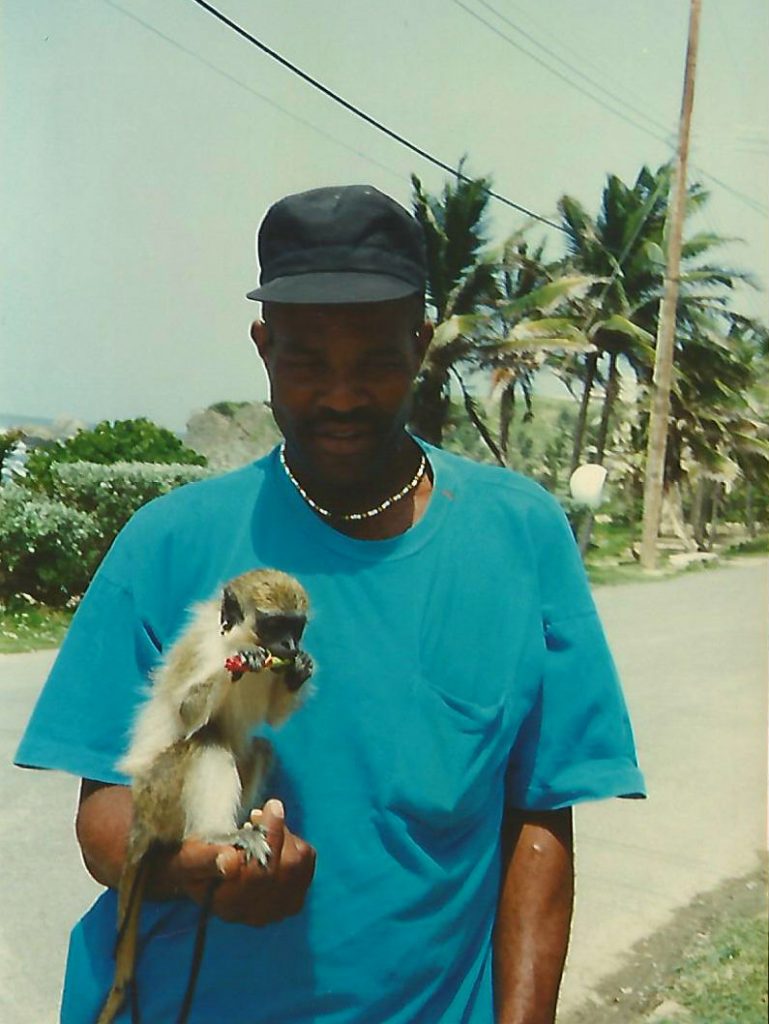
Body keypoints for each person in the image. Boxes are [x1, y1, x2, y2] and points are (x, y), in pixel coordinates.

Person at [15, 184, 645, 1024]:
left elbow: (538, 815)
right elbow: (104, 821)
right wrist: (204, 870)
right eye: (307, 361)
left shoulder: (518, 536)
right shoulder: (167, 545)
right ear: (264, 345)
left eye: (377, 361)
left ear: (419, 345)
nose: (342, 396)